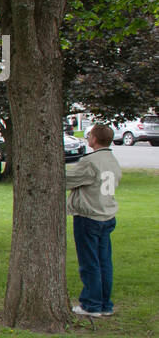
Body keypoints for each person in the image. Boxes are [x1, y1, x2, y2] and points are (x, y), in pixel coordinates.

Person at [65, 123, 122, 317]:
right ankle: (105, 304)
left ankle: (91, 305)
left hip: (90, 216)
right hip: (107, 215)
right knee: (104, 261)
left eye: (89, 135)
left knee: (89, 262)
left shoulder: (90, 161)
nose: (88, 138)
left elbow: (68, 179)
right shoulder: (112, 159)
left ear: (95, 139)